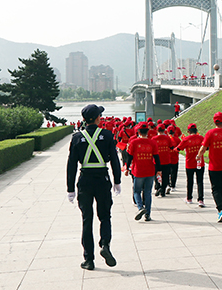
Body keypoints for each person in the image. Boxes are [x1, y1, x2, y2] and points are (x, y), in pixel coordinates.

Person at [66, 104, 122, 271]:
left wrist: (70, 189)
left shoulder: (77, 137)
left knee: (87, 220)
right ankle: (105, 244)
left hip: (85, 180)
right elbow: (114, 160)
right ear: (98, 118)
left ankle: (88, 259)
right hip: (102, 179)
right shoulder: (107, 134)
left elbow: (71, 165)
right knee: (105, 216)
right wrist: (117, 181)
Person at [126, 122, 161, 221]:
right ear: (148, 132)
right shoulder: (152, 142)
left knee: (137, 191)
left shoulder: (134, 142)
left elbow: (129, 157)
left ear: (138, 131)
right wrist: (159, 170)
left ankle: (140, 207)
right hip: (150, 171)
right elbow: (156, 157)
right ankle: (148, 215)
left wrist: (127, 168)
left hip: (138, 171)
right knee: (148, 192)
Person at [174, 123, 206, 207]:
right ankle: (201, 200)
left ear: (188, 131)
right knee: (200, 181)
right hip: (200, 163)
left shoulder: (186, 139)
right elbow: (206, 147)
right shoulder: (201, 138)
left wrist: (173, 149)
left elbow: (178, 148)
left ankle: (189, 198)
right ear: (196, 130)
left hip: (189, 164)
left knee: (190, 181)